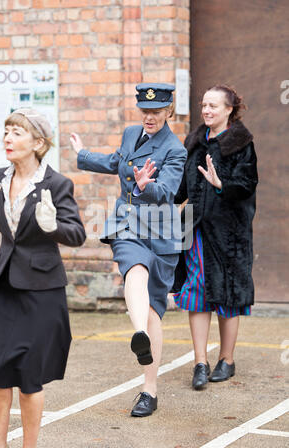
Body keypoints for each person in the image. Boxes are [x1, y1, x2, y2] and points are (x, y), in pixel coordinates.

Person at [70, 83, 187, 417]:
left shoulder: (175, 150)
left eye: (156, 111)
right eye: (145, 111)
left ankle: (149, 388)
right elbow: (116, 162)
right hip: (127, 223)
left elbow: (167, 192)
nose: (149, 117)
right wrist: (83, 155)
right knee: (133, 269)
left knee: (153, 310)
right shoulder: (130, 133)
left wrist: (146, 186)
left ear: (169, 112)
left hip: (160, 233)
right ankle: (139, 333)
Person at [0, 108, 86, 448]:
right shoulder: (2, 177)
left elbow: (77, 234)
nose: (8, 138)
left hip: (41, 294)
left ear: (38, 142)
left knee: (30, 379)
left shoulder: (57, 184)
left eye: (17, 132)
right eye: (6, 131)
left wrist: (53, 227)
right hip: (1, 291)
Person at [173, 85, 258, 390]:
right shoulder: (195, 142)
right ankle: (199, 362)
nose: (207, 110)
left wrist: (222, 184)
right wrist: (152, 190)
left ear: (229, 110)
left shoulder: (241, 144)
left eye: (213, 106)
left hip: (229, 233)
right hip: (196, 229)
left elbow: (247, 184)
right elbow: (181, 187)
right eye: (204, 105)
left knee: (228, 295)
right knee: (197, 293)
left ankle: (227, 359)